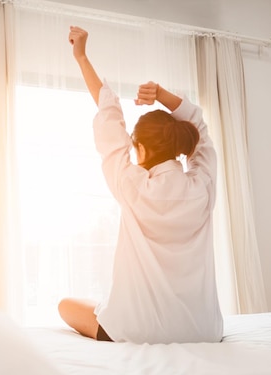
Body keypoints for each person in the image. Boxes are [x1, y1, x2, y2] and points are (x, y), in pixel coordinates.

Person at [57, 26, 223, 344]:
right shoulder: (202, 188)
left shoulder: (132, 187)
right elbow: (199, 126)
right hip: (203, 331)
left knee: (65, 305)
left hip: (135, 330)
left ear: (141, 149)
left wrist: (81, 56)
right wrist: (160, 94)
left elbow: (109, 111)